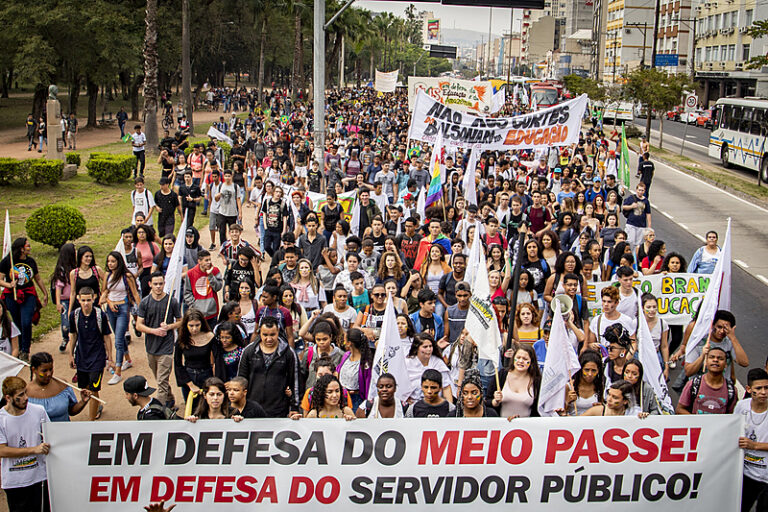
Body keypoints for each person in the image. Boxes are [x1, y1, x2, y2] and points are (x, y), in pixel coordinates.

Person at [0, 376, 51, 512]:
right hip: (14, 482)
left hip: (39, 478)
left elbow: (51, 436)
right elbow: (2, 451)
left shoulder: (38, 411)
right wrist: (34, 450)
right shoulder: (1, 419)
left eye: (25, 392)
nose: (26, 398)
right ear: (8, 398)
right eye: (20, 395)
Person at [237, 316, 300, 417]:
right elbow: (241, 380)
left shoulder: (288, 353)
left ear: (278, 331)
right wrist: (238, 406)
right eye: (265, 335)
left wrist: (294, 407)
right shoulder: (249, 351)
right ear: (259, 332)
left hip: (279, 410)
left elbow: (295, 381)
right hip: (251, 409)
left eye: (272, 334)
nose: (269, 339)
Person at [136, 272, 182, 410]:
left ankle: (159, 411)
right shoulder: (145, 302)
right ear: (150, 284)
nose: (158, 287)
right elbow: (139, 325)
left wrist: (169, 327)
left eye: (160, 284)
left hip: (166, 348)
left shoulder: (171, 302)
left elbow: (180, 321)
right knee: (159, 378)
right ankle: (170, 398)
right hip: (151, 347)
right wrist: (154, 331)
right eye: (155, 284)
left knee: (161, 381)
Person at [0, 238, 48, 362]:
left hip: (28, 295)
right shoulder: (7, 261)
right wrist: (9, 285)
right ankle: (19, 347)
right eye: (28, 246)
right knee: (17, 323)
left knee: (26, 322)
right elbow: (0, 279)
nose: (30, 248)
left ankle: (25, 350)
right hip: (12, 296)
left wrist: (44, 293)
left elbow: (38, 278)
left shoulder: (31, 262)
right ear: (21, 248)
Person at [68, 287, 113, 421]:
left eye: (89, 300)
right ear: (78, 299)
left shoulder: (100, 316)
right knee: (85, 389)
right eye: (83, 300)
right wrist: (71, 355)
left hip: (97, 359)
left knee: (93, 390)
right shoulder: (74, 316)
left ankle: (91, 421)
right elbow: (73, 335)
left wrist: (110, 357)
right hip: (81, 358)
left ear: (94, 299)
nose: (86, 303)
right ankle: (97, 406)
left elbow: (107, 336)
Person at [101, 251, 140, 385]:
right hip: (111, 309)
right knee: (120, 336)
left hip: (123, 308)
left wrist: (141, 312)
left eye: (113, 261)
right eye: (109, 262)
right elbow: (104, 291)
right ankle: (128, 359)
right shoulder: (107, 275)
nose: (110, 264)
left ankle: (117, 371)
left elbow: (135, 293)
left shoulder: (127, 276)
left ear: (119, 262)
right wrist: (109, 302)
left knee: (118, 339)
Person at [684, 309, 748, 380]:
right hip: (700, 387)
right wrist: (702, 356)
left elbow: (744, 363)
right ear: (712, 325)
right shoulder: (699, 342)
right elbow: (688, 372)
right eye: (719, 327)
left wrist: (733, 338)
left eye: (725, 328)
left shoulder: (730, 342)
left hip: (722, 388)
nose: (722, 331)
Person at [736, 368, 768, 511]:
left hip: (765, 477)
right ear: (748, 389)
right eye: (759, 388)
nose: (763, 392)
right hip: (745, 473)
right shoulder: (741, 406)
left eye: (767, 388)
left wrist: (754, 445)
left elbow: (752, 444)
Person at [26, 352, 90, 422]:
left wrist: (83, 402)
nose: (49, 374)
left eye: (51, 369)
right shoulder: (26, 392)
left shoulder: (62, 385)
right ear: (34, 370)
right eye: (44, 371)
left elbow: (72, 411)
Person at [677, 347, 738, 414]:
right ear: (706, 362)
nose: (715, 360)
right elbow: (680, 409)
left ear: (726, 364)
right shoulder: (694, 384)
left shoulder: (731, 390)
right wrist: (696, 421)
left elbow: (731, 416)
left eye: (720, 358)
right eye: (712, 357)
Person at [174, 309, 216, 406]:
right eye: (191, 326)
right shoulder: (182, 339)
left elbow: (218, 359)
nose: (194, 329)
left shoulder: (210, 337)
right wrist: (190, 384)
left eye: (197, 325)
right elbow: (178, 363)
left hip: (207, 375)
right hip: (189, 376)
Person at [488, 344, 541, 419]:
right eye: (518, 357)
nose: (520, 361)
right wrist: (495, 401)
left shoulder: (537, 381)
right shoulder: (501, 375)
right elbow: (486, 401)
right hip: (502, 427)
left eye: (525, 359)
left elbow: (540, 408)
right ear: (513, 358)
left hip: (527, 428)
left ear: (531, 361)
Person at [583, 286, 636, 354]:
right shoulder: (596, 321)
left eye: (609, 302)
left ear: (616, 303)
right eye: (604, 301)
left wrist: (627, 359)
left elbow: (633, 343)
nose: (606, 304)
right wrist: (593, 346)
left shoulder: (626, 320)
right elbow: (590, 343)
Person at [405, 334, 452, 404]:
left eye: (430, 346)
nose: (429, 349)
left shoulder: (438, 363)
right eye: (425, 347)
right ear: (417, 348)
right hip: (414, 405)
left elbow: (446, 387)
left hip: (436, 404)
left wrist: (449, 407)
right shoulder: (407, 363)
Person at [184, 250, 223, 328]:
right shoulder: (190, 273)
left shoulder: (215, 270)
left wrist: (210, 275)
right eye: (206, 260)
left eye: (209, 259)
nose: (209, 262)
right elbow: (187, 292)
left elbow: (218, 287)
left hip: (212, 312)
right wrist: (194, 305)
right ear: (199, 261)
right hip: (197, 314)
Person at [565, 351, 604, 416]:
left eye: (593, 370)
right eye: (586, 370)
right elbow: (561, 413)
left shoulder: (600, 387)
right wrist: (568, 402)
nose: (590, 374)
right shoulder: (569, 387)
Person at [621, 182, 651, 250]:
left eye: (642, 190)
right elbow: (624, 207)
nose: (640, 192)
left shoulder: (646, 201)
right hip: (631, 223)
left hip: (641, 225)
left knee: (638, 244)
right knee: (630, 241)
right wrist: (631, 206)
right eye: (639, 190)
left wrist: (649, 226)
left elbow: (648, 213)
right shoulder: (631, 198)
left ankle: (635, 257)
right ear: (636, 190)